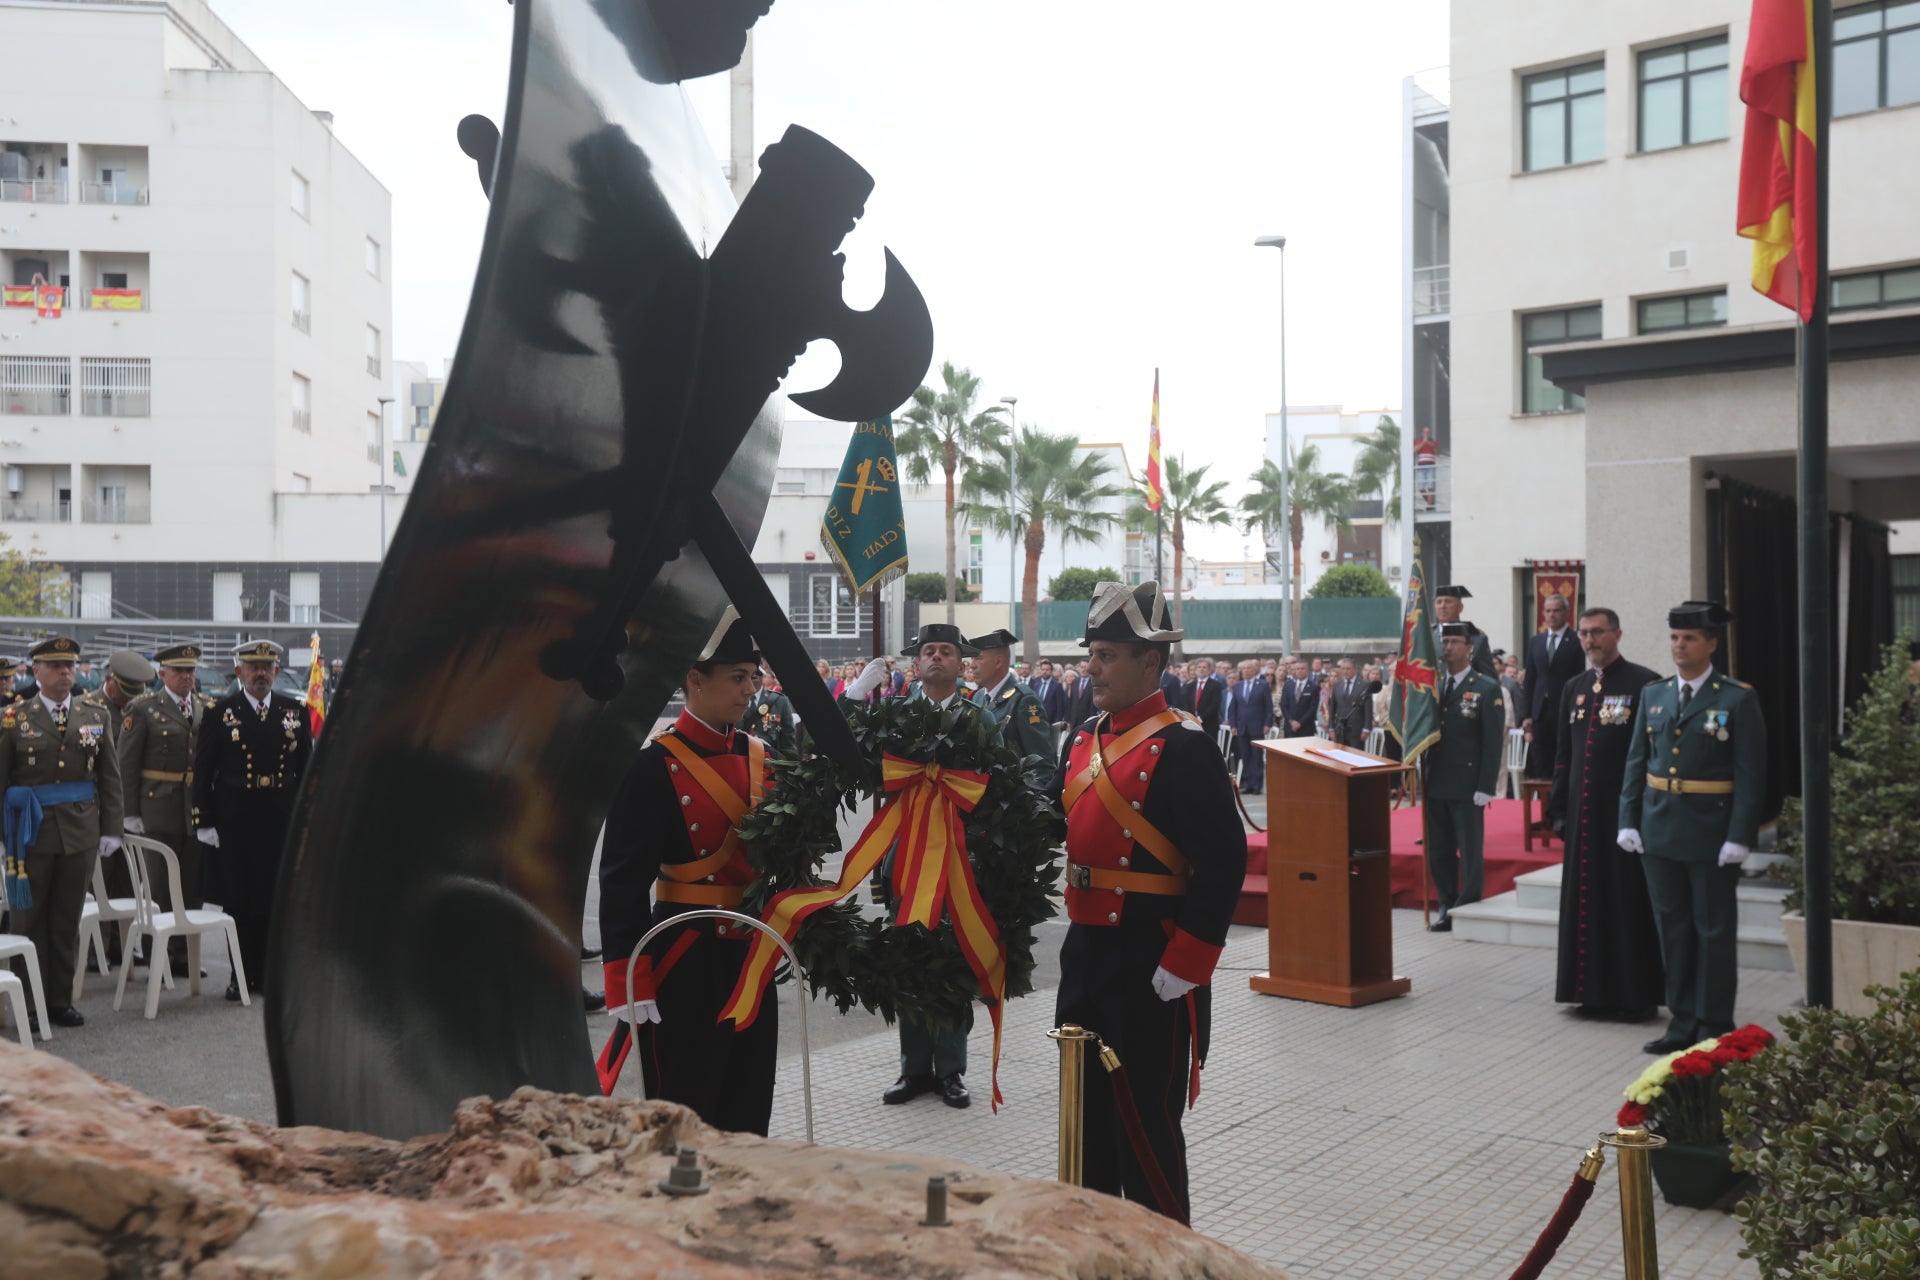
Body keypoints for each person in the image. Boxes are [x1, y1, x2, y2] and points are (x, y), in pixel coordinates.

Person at [1049, 580, 1246, 1222]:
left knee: (1146, 1130)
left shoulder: (1186, 747)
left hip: (1150, 963)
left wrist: (1185, 964)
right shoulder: (1083, 739)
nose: (1092, 668)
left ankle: (1164, 1254)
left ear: (1151, 663)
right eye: (1093, 654)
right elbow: (1057, 820)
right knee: (1086, 1125)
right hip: (1086, 956)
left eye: (1107, 656)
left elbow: (1222, 863)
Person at [597, 611, 780, 1132]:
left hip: (750, 954)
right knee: (685, 1106)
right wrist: (629, 981)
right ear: (695, 680)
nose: (749, 690)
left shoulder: (763, 758)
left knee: (748, 1102)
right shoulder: (652, 766)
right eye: (737, 677)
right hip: (684, 956)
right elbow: (622, 881)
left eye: (754, 676)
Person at [846, 623, 986, 1109]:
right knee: (909, 960)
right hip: (903, 858)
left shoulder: (980, 716)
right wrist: (854, 696)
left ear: (961, 663)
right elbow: (845, 755)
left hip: (958, 860)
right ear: (915, 663)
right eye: (929, 651)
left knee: (950, 961)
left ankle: (950, 1071)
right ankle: (913, 1070)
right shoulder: (892, 715)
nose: (937, 658)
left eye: (947, 651)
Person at [1618, 601, 1767, 1054]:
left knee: (1713, 931)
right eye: (1674, 638)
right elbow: (1636, 763)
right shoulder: (1654, 694)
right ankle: (1682, 1022)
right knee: (1673, 931)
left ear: (1711, 644)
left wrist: (1740, 835)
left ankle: (1715, 1021)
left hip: (1711, 834)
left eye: (1689, 639)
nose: (1678, 646)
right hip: (1659, 830)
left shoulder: (1736, 697)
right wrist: (1628, 819)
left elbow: (1751, 774)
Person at [1, 636, 125, 1030]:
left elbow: (110, 778)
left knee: (66, 920)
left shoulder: (94, 714)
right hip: (29, 833)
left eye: (70, 665)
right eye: (55, 665)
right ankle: (29, 1004)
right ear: (35, 671)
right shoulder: (13, 718)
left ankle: (59, 1001)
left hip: (79, 830)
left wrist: (112, 830)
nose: (65, 672)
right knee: (28, 921)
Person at [1548, 608, 1663, 1021]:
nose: (1590, 640)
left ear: (1618, 633)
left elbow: (1653, 753)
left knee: (1626, 901)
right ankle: (1587, 992)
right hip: (1582, 815)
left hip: (1623, 815)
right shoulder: (1574, 687)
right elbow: (1564, 754)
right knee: (1584, 900)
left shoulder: (1644, 682)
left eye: (1598, 632)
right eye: (1584, 634)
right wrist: (1558, 806)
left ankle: (1634, 996)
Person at [193, 640, 313, 1000]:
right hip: (236, 815)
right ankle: (240, 975)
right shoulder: (220, 712)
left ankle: (271, 974)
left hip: (281, 813)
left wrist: (308, 818)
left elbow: (307, 769)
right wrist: (204, 819)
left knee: (276, 898)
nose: (261, 673)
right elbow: (203, 771)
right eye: (253, 666)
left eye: (267, 666)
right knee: (239, 899)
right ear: (240, 671)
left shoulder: (295, 711)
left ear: (276, 671)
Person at [117, 643, 209, 978]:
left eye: (191, 671)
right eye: (180, 671)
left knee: (190, 885)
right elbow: (125, 764)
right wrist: (129, 813)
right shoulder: (143, 709)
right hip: (156, 809)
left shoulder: (203, 707)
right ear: (163, 674)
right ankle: (161, 954)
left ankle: (185, 955)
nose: (187, 677)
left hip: (191, 810)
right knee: (159, 888)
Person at [1424, 623, 1505, 932]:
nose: (1448, 647)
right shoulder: (1433, 687)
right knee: (1439, 849)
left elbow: (1492, 741)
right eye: (1445, 641)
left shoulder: (1486, 687)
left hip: (1468, 784)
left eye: (1455, 641)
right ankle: (1446, 901)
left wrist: (1486, 786)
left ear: (1470, 648)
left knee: (1469, 850)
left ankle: (1467, 904)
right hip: (1438, 781)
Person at [967, 629, 1054, 786]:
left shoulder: (1023, 700)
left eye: (978, 658)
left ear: (998, 661)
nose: (972, 665)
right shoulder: (977, 697)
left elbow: (1042, 766)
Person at [1523, 594, 1584, 780]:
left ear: (1566, 612)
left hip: (1565, 709)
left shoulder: (1576, 640)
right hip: (1540, 711)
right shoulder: (1536, 641)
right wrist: (1526, 715)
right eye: (1548, 611)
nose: (1552, 615)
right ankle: (1544, 804)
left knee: (1564, 757)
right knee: (1541, 759)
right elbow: (1530, 680)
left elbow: (1580, 676)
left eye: (1556, 610)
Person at [1432, 585, 1499, 679]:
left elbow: (1489, 678)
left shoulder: (1476, 637)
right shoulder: (1426, 636)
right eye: (1439, 602)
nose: (1443, 606)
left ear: (1460, 607)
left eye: (1448, 601)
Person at [1227, 660, 1272, 791]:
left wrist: (1267, 723)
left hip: (1257, 726)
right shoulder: (1238, 686)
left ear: (1254, 670)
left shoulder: (1262, 685)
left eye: (1248, 668)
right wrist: (1233, 725)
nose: (1246, 670)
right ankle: (1248, 784)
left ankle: (1257, 785)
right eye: (1244, 668)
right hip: (1242, 727)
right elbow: (1233, 708)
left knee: (1256, 756)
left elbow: (1268, 707)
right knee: (1245, 756)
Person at [739, 664, 796, 755]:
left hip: (771, 760)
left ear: (764, 677)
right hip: (741, 757)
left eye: (758, 673)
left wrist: (789, 762)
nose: (754, 676)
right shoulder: (733, 699)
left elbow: (788, 738)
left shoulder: (779, 701)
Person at [1328, 658, 1371, 749]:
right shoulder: (1337, 685)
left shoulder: (1364, 685)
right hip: (1340, 730)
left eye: (1348, 669)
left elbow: (1368, 709)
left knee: (1355, 757)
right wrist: (1331, 727)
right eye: (1343, 669)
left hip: (1357, 730)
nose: (1345, 671)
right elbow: (1332, 708)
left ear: (1354, 669)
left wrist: (1366, 728)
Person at [1275, 659, 1315, 739]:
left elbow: (1313, 708)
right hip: (1289, 727)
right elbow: (1283, 705)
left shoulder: (1313, 687)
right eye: (1297, 669)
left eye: (1302, 669)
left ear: (1307, 671)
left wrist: (1300, 723)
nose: (1300, 671)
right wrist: (1291, 721)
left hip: (1306, 728)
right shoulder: (1288, 685)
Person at [1032, 659, 1069, 729]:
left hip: (1051, 721)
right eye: (1043, 669)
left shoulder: (1057, 685)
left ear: (1051, 671)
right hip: (1036, 720)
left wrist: (1057, 723)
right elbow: (1032, 702)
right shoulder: (1035, 683)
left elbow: (1060, 706)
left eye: (1047, 670)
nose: (1044, 672)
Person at [1415, 425, 1438, 509]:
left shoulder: (1434, 442)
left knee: (1430, 486)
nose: (1426, 434)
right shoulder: (1418, 441)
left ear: (1430, 433)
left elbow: (1437, 452)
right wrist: (1423, 442)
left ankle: (1429, 505)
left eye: (1428, 432)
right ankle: (1430, 503)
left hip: (1431, 465)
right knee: (1421, 488)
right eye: (1425, 432)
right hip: (1421, 466)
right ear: (1422, 433)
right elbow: (1415, 450)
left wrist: (1429, 443)